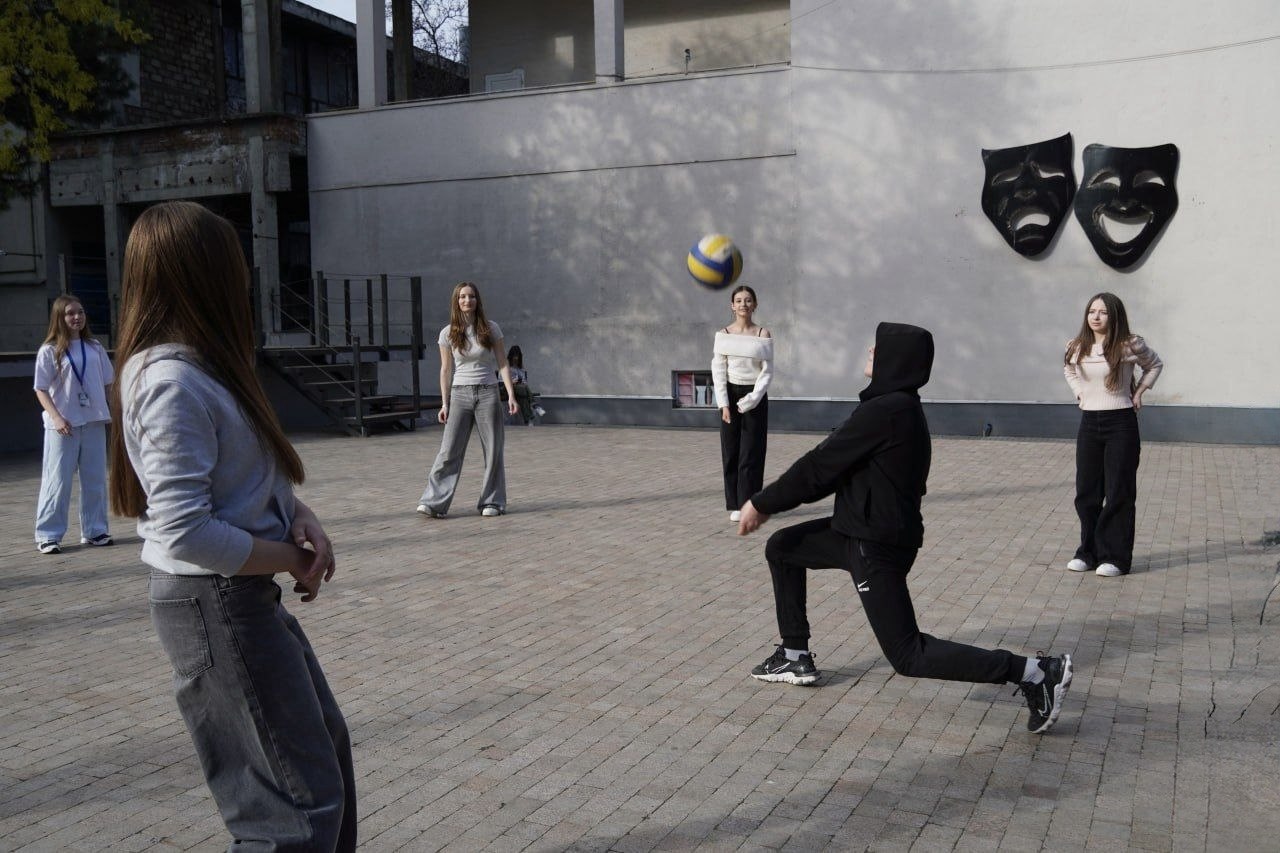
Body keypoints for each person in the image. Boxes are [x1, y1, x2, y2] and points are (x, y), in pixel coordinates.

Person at [108, 202, 356, 851]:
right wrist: (289, 557)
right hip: (215, 601)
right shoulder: (170, 381)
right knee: (292, 810)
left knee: (320, 762)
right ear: (199, 275)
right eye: (233, 264)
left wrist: (300, 517)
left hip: (238, 597)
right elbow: (189, 533)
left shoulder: (202, 368)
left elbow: (243, 480)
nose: (244, 277)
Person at [738, 322, 1073, 734]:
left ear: (894, 361)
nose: (869, 352)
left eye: (877, 349)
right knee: (784, 546)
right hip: (855, 531)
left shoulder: (887, 410)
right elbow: (834, 469)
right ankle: (794, 654)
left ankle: (1036, 673)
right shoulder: (895, 407)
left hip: (874, 545)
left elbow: (819, 467)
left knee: (908, 655)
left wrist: (761, 502)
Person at [1063, 292, 1163, 577]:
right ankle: (1088, 552)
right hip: (1089, 423)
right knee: (1087, 491)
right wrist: (1080, 392)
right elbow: (1069, 369)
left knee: (1118, 491)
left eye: (1103, 312)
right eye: (1091, 311)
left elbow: (1155, 364)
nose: (1095, 317)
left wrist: (1140, 390)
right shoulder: (1077, 346)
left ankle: (1115, 557)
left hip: (1121, 422)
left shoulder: (1129, 344)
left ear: (1114, 315)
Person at [416, 282, 519, 517]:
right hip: (460, 394)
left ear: (477, 300)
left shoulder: (491, 329)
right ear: (456, 301)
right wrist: (445, 403)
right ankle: (433, 503)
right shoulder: (448, 332)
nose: (467, 300)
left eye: (471, 296)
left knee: (493, 450)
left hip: (487, 393)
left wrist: (510, 395)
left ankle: (492, 502)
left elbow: (503, 363)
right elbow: (445, 369)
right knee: (448, 450)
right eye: (462, 297)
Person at [33, 295, 115, 554]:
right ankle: (48, 535)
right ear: (60, 317)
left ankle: (94, 530)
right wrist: (57, 417)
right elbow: (41, 389)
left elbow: (108, 384)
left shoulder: (94, 347)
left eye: (80, 312)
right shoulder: (49, 350)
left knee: (95, 480)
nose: (77, 317)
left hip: (92, 421)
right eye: (70, 313)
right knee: (57, 481)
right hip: (63, 425)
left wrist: (117, 413)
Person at [712, 285, 773, 524]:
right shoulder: (723, 334)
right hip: (730, 392)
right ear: (732, 305)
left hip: (754, 395)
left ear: (755, 305)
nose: (743, 304)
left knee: (752, 450)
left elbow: (768, 372)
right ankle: (734, 503)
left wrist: (753, 398)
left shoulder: (762, 335)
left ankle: (748, 502)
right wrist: (723, 404)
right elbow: (718, 371)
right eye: (739, 300)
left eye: (748, 300)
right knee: (731, 450)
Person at [506, 344, 544, 424]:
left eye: (517, 356)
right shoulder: (506, 367)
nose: (516, 358)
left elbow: (525, 381)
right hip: (509, 388)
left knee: (523, 395)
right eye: (514, 356)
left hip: (521, 389)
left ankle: (528, 420)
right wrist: (512, 382)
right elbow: (500, 381)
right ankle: (535, 406)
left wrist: (522, 382)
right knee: (524, 388)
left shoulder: (521, 369)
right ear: (511, 356)